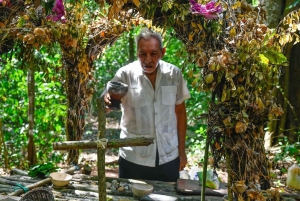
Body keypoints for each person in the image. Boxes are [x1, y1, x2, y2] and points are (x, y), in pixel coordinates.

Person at [103, 28, 190, 182]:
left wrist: (181, 152)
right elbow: (107, 98)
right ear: (137, 53)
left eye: (153, 53)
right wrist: (107, 100)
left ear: (162, 52)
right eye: (142, 54)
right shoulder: (125, 74)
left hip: (168, 155)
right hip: (134, 157)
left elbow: (180, 113)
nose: (147, 59)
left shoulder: (174, 74)